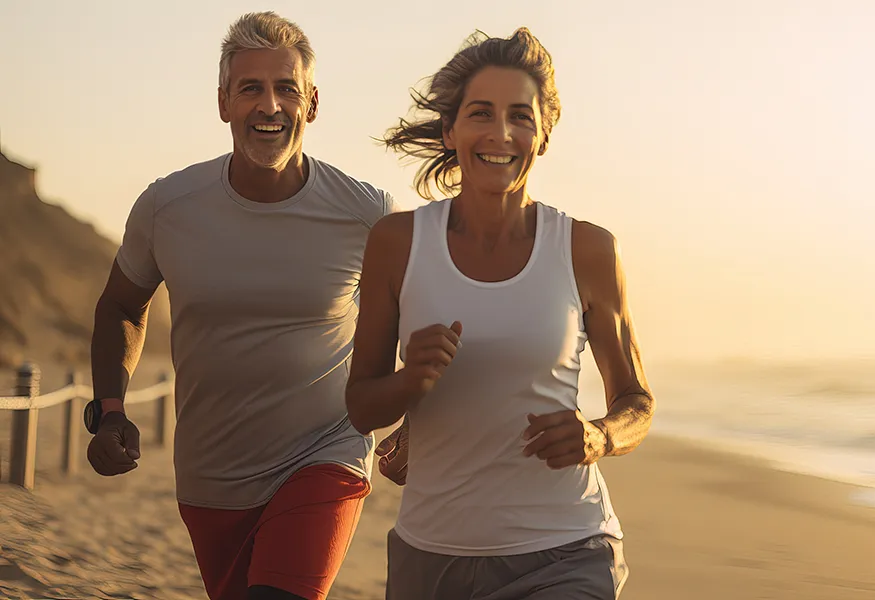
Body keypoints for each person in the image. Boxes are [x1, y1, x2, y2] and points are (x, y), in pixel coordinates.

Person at [84, 11, 400, 600]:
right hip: (211, 475)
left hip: (326, 453)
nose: (269, 105)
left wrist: (416, 424)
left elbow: (424, 315)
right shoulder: (167, 206)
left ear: (311, 103)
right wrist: (109, 410)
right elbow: (122, 307)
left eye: (286, 88)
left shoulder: (367, 212)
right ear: (224, 102)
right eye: (251, 88)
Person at [345, 28, 656, 599]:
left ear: (542, 137)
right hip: (431, 554)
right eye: (481, 114)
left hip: (567, 549)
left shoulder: (587, 249)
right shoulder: (398, 242)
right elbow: (361, 406)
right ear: (451, 130)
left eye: (521, 116)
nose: (501, 133)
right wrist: (411, 380)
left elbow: (636, 401)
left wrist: (599, 436)